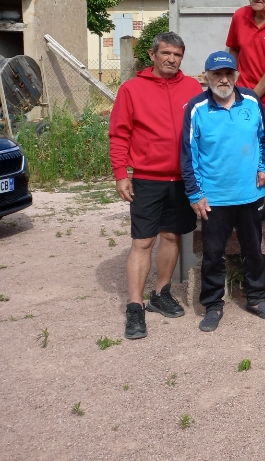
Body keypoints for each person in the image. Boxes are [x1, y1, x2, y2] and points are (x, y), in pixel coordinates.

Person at [109, 31, 203, 340]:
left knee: (172, 237)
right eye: (166, 53)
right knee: (142, 241)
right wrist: (121, 173)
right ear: (152, 54)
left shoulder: (192, 87)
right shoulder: (132, 89)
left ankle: (161, 293)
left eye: (177, 55)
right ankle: (135, 306)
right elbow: (119, 134)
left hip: (182, 179)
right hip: (148, 178)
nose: (172, 59)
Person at [182, 51, 265, 332]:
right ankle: (213, 304)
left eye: (227, 74)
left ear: (236, 75)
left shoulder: (251, 101)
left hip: (250, 194)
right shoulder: (196, 108)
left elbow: (263, 138)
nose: (222, 79)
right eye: (216, 74)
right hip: (214, 198)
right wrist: (195, 193)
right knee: (213, 254)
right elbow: (189, 153)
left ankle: (256, 298)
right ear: (206, 77)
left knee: (253, 250)